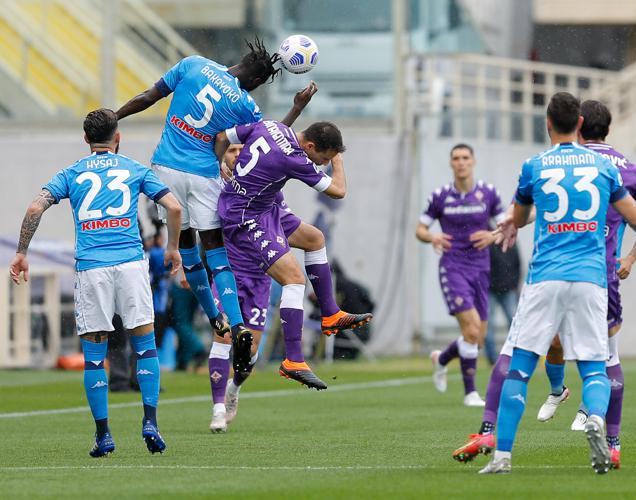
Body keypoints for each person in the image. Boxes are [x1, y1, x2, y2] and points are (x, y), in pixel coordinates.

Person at [115, 38, 317, 382]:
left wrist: (114, 116)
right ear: (256, 81)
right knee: (215, 252)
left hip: (166, 169)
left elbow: (149, 96)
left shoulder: (193, 64)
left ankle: (215, 318)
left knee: (188, 250)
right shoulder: (246, 105)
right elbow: (271, 142)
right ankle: (236, 325)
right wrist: (296, 108)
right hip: (204, 175)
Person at [478, 92, 636, 474]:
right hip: (591, 278)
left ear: (547, 124)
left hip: (546, 277)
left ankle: (503, 457)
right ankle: (595, 420)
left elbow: (519, 217)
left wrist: (514, 220)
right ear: (580, 124)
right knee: (594, 368)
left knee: (521, 367)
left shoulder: (534, 165)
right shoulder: (603, 167)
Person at [9, 109, 183, 457]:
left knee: (94, 356)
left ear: (86, 139)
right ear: (118, 137)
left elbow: (34, 209)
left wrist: (21, 253)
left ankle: (104, 435)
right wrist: (173, 248)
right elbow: (174, 208)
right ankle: (150, 421)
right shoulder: (134, 169)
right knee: (145, 346)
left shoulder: (71, 173)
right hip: (131, 264)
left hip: (92, 269)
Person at [535, 100, 636, 469]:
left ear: (578, 123)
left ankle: (505, 431)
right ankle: (610, 440)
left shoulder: (560, 163)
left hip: (555, 272)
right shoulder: (625, 169)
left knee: (544, 344)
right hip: (601, 279)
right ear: (609, 129)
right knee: (606, 355)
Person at [214, 120, 373, 396]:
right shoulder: (294, 158)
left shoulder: (271, 126)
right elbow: (338, 191)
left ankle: (330, 314)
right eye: (324, 157)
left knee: (315, 239)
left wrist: (219, 164)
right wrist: (338, 162)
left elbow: (221, 136)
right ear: (310, 146)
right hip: (246, 217)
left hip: (264, 208)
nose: (324, 163)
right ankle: (294, 360)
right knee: (294, 279)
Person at [416, 144, 504, 407]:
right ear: (451, 163)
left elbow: (505, 226)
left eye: (465, 157)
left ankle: (442, 359)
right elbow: (420, 229)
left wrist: (492, 235)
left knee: (477, 337)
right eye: (456, 158)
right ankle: (470, 393)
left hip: (481, 268)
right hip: (453, 267)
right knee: (472, 329)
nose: (461, 162)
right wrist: (432, 237)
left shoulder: (488, 193)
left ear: (473, 161)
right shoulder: (441, 196)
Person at [484, 243, 521, 365]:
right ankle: (492, 360)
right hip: (490, 290)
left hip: (508, 289)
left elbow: (517, 263)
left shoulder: (511, 240)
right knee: (488, 324)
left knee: (514, 322)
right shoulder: (487, 241)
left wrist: (515, 285)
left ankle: (516, 355)